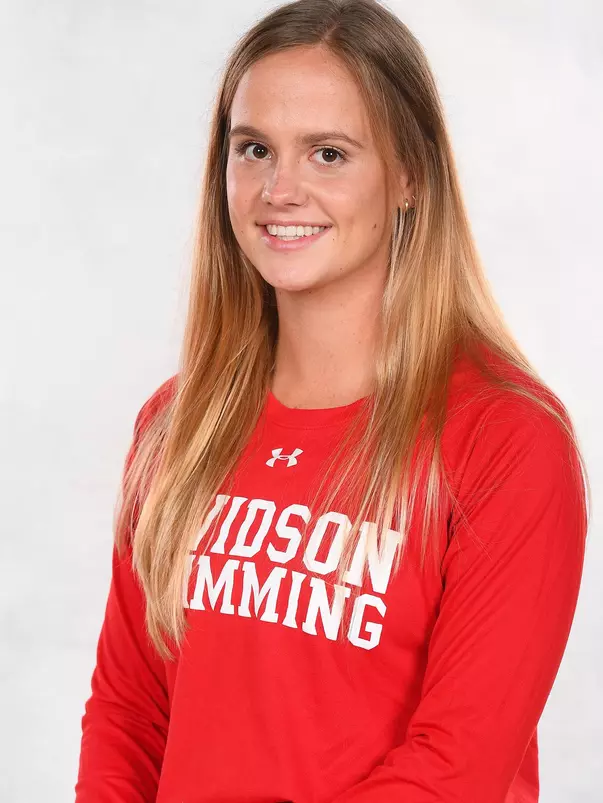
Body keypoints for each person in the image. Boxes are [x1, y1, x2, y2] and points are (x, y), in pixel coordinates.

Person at [74, 1, 590, 801]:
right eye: (253, 149)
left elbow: (456, 768)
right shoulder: (179, 425)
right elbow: (130, 712)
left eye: (327, 153)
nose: (280, 190)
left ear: (409, 176)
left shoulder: (506, 438)